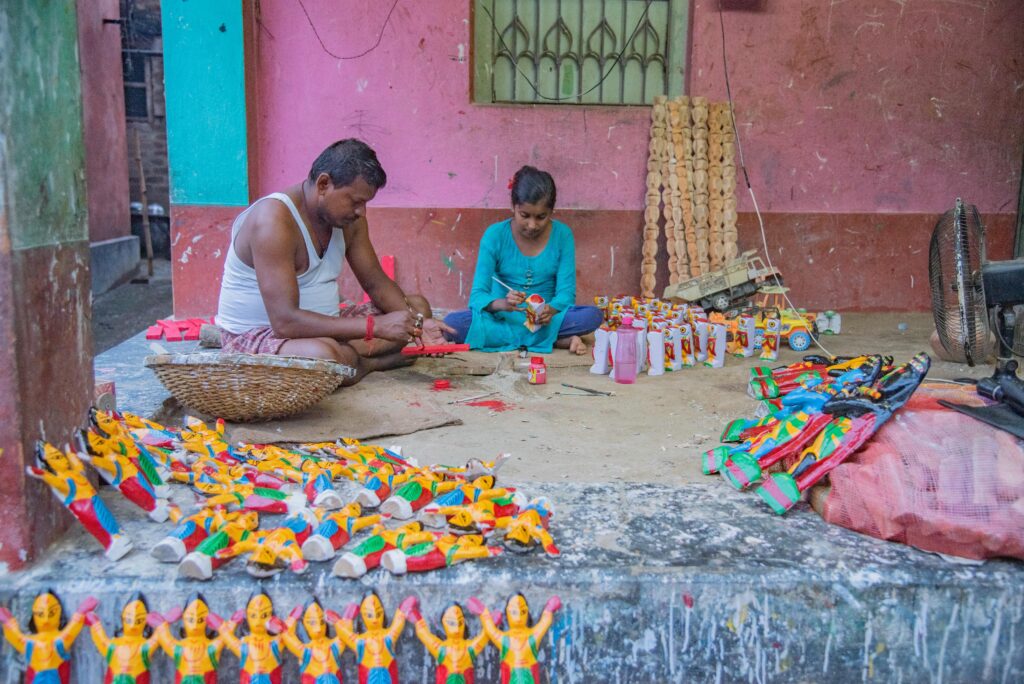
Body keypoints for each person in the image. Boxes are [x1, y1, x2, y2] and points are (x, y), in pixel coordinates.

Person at [216, 138, 453, 384]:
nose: (361, 211)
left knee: (416, 311)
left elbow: (375, 282)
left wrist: (417, 326)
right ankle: (367, 364)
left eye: (365, 203)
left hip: (325, 327)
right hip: (260, 336)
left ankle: (348, 362)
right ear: (324, 184)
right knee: (324, 354)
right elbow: (284, 323)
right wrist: (374, 328)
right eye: (355, 201)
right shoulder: (273, 221)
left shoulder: (350, 220)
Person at [443, 166, 602, 354]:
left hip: (546, 319)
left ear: (552, 211)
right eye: (524, 216)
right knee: (452, 324)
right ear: (513, 207)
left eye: (541, 217)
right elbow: (477, 296)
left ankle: (542, 336)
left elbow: (566, 294)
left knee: (593, 316)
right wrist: (502, 303)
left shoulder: (563, 235)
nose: (532, 225)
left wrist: (549, 310)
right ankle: (555, 339)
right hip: (502, 318)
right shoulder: (494, 235)